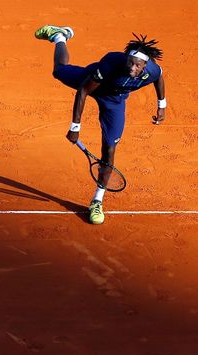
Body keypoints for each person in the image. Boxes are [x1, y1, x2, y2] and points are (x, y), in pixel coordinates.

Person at [34, 25, 166, 224]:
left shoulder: (151, 72)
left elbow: (160, 77)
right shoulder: (110, 63)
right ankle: (59, 37)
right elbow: (83, 91)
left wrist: (161, 105)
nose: (132, 68)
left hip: (115, 101)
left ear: (144, 66)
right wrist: (75, 127)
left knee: (110, 149)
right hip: (94, 84)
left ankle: (97, 200)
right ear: (126, 59)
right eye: (130, 63)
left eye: (137, 66)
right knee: (58, 71)